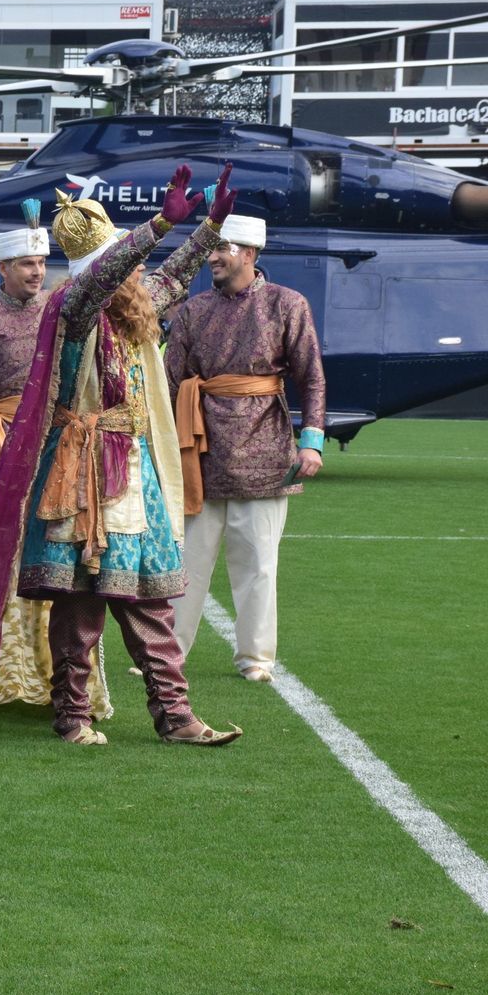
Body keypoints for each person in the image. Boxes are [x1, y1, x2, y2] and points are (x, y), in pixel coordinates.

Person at [0, 162, 243, 747]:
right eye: (130, 259)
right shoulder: (74, 305)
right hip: (78, 469)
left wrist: (210, 224)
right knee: (77, 603)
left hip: (133, 471)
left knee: (148, 599)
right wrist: (153, 226)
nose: (143, 271)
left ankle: (173, 716)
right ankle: (72, 715)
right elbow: (108, 275)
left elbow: (172, 277)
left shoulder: (133, 303)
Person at [0, 201, 111, 718]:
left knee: (54, 553)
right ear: (3, 270)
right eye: (27, 265)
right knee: (1, 553)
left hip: (54, 444)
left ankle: (50, 666)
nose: (37, 272)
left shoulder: (60, 309)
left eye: (42, 264)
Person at [166, 212, 326, 683]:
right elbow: (171, 380)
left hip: (267, 450)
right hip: (200, 450)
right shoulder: (194, 310)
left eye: (222, 248)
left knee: (258, 564)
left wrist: (312, 443)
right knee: (186, 563)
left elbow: (310, 376)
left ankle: (256, 657)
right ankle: (167, 654)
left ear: (250, 254)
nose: (212, 257)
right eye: (212, 249)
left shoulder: (287, 304)